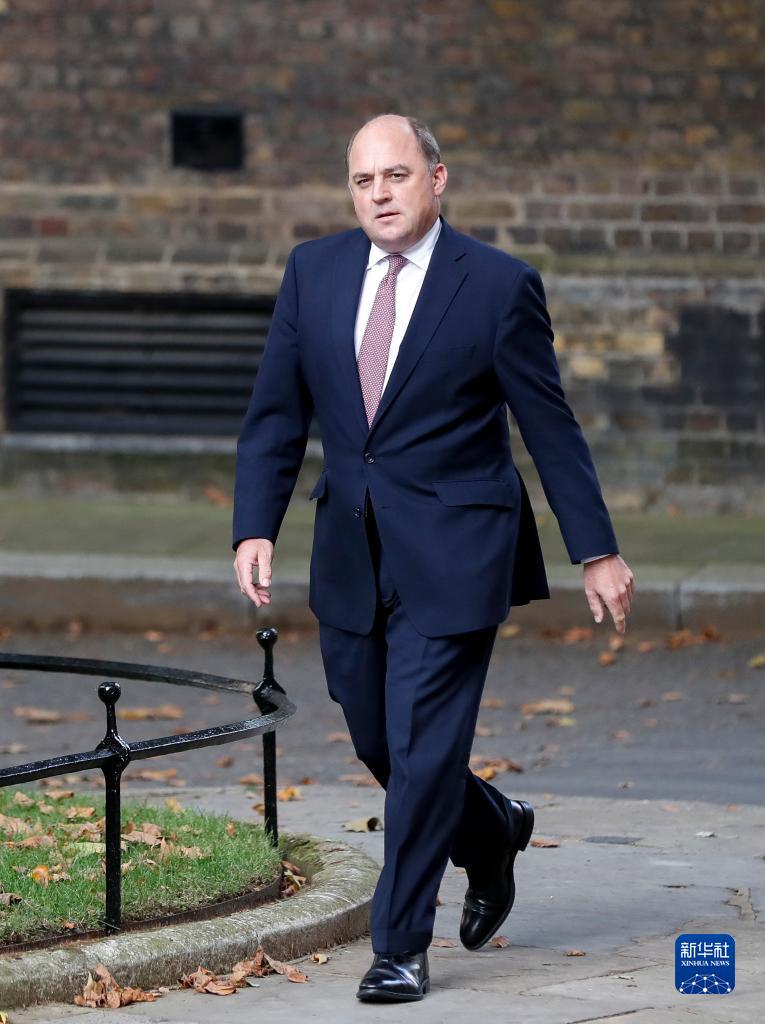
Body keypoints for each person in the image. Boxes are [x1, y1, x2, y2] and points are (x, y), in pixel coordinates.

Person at [233, 113, 635, 1003]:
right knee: (376, 736)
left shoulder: (495, 284)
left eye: (396, 176)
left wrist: (596, 549)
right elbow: (275, 413)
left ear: (436, 179)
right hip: (350, 549)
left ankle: (400, 944)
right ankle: (489, 827)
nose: (379, 195)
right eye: (362, 180)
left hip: (457, 551)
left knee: (420, 749)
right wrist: (254, 525)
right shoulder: (313, 271)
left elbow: (548, 423)